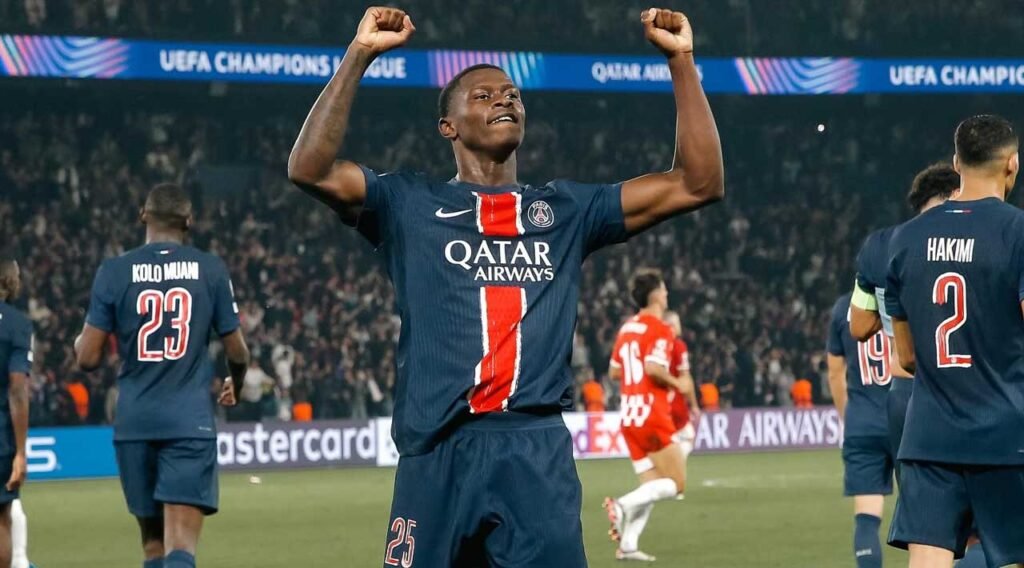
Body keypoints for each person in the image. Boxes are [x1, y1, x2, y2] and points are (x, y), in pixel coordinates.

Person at [287, 6, 723, 566]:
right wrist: (359, 54)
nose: (505, 100)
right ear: (448, 126)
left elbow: (698, 183)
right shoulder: (408, 203)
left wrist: (681, 60)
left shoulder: (565, 210)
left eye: (513, 94)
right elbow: (310, 169)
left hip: (535, 454)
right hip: (438, 452)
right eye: (484, 95)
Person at [74, 183, 251, 568]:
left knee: (153, 547)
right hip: (188, 423)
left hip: (134, 423)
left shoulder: (113, 271)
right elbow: (238, 351)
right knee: (180, 545)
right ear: (188, 221)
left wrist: (80, 339)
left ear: (143, 215)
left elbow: (86, 358)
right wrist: (235, 383)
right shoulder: (210, 269)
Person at [885, 115, 1024, 568]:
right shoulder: (1017, 232)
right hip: (1007, 431)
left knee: (928, 560)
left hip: (929, 436)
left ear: (956, 163)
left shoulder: (905, 239)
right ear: (1012, 164)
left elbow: (906, 357)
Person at [605, 269, 689, 562]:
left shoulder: (627, 328)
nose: (667, 294)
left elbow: (614, 371)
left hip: (629, 416)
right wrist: (678, 384)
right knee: (676, 484)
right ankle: (620, 506)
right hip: (652, 414)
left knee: (651, 487)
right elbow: (653, 368)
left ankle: (628, 545)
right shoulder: (661, 329)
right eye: (664, 289)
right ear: (655, 296)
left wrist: (636, 374)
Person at [826, 292, 894, 568]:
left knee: (866, 518)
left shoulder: (844, 308)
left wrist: (849, 416)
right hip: (908, 420)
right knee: (927, 519)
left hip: (862, 422)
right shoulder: (906, 294)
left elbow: (834, 373)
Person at [0, 258, 31, 568]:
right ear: (9, 281)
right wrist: (21, 452)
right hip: (0, 437)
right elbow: (17, 389)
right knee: (1, 518)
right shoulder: (16, 324)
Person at [663, 311, 699, 457]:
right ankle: (674, 465)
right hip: (675, 403)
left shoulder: (655, 345)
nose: (680, 327)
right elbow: (686, 378)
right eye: (678, 323)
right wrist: (694, 404)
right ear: (672, 326)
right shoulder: (678, 345)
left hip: (657, 404)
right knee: (689, 437)